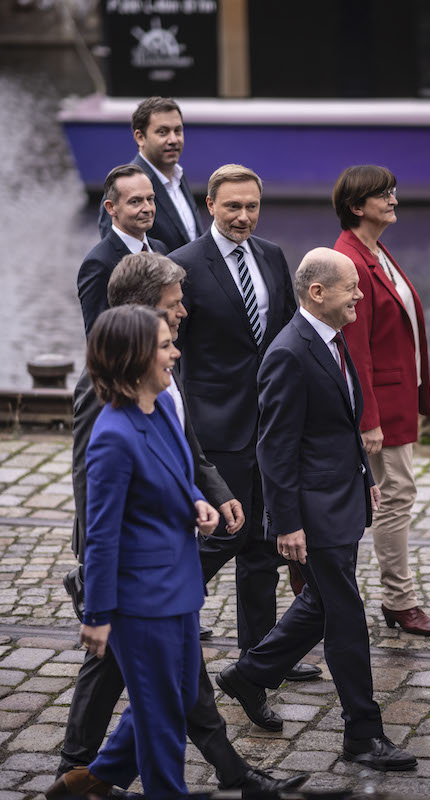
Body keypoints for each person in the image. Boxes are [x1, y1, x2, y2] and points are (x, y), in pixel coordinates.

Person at [59, 253, 307, 795]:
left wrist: (206, 496)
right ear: (145, 317)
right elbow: (94, 489)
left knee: (167, 690)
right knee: (143, 691)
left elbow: (180, 447)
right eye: (173, 308)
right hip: (129, 568)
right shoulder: (105, 400)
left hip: (170, 567)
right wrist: (99, 584)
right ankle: (80, 770)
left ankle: (90, 778)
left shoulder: (161, 377)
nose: (184, 314)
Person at [216, 248, 417, 772]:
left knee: (322, 604)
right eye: (351, 287)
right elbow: (274, 446)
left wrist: (366, 478)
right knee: (345, 613)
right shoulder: (289, 352)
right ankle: (362, 733)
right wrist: (287, 523)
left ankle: (250, 673)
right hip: (314, 509)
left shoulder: (332, 337)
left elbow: (342, 422)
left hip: (342, 494)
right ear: (317, 292)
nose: (359, 295)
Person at [46, 305, 220, 799]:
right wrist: (97, 615)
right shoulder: (112, 437)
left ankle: (94, 778)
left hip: (179, 583)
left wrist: (198, 501)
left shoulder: (161, 404)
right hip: (139, 601)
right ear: (135, 357)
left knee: (179, 696)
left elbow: (177, 471)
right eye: (165, 346)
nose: (175, 352)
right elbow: (101, 535)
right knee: (162, 719)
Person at [171, 164, 321, 681]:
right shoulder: (183, 265)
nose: (243, 216)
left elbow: (284, 337)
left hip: (271, 425)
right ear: (209, 205)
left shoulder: (274, 257)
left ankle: (260, 661)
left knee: (263, 545)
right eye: (232, 206)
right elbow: (171, 354)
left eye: (251, 206)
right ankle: (152, 602)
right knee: (227, 535)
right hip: (216, 429)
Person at [332, 165, 430, 636]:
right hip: (380, 407)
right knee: (395, 496)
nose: (394, 199)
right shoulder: (349, 261)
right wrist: (367, 419)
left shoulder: (375, 251)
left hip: (396, 397)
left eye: (394, 190)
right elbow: (353, 350)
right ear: (358, 206)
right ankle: (399, 600)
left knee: (390, 495)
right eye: (384, 193)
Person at [98, 96, 203, 251]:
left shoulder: (179, 176)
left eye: (178, 131)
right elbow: (115, 255)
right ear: (140, 137)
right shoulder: (123, 186)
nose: (173, 139)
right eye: (163, 132)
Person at [78, 164, 167, 336]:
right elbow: (99, 338)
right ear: (111, 208)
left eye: (150, 199)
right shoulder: (98, 263)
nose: (147, 208)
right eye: (135, 201)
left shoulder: (160, 248)